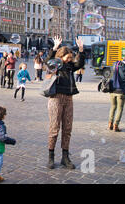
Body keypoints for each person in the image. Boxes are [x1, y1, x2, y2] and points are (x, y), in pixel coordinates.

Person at [45, 36, 85, 170]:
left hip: (68, 98)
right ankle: (51, 156)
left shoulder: (69, 67)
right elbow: (47, 61)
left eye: (70, 58)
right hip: (55, 98)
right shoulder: (55, 65)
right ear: (61, 57)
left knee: (67, 128)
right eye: (67, 58)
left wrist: (81, 50)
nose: (69, 60)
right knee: (54, 128)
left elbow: (79, 64)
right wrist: (55, 48)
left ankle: (65, 157)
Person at [108, 53, 125, 132]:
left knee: (113, 107)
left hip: (112, 89)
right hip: (121, 90)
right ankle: (116, 125)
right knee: (120, 108)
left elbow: (110, 74)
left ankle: (110, 123)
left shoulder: (115, 63)